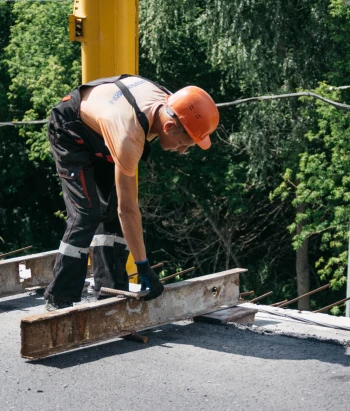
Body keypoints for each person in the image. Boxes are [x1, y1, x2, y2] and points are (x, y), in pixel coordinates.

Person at [44, 74, 219, 310]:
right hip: (71, 130)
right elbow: (128, 210)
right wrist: (143, 264)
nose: (182, 151)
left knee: (112, 214)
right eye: (185, 143)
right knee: (86, 213)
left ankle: (110, 289)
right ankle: (59, 295)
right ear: (169, 126)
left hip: (104, 132)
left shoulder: (170, 103)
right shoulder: (129, 135)